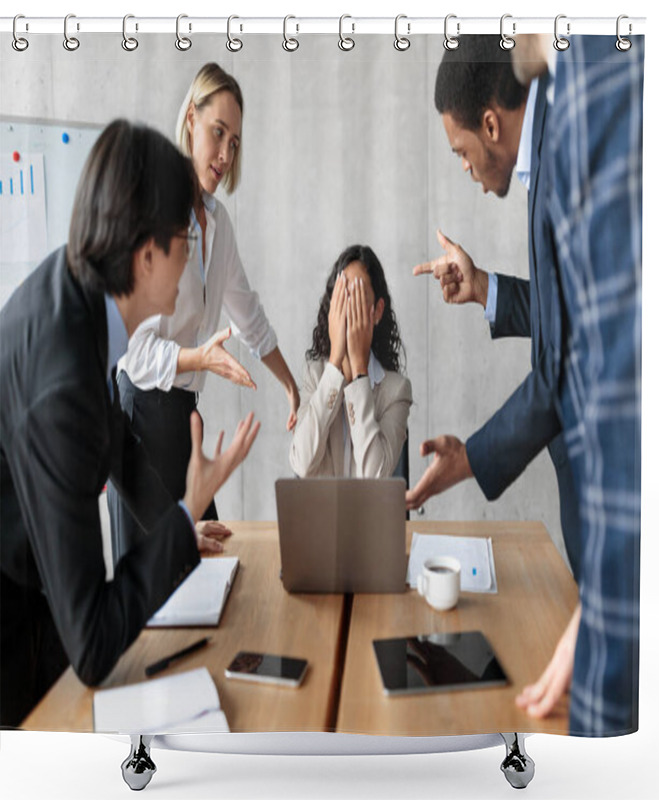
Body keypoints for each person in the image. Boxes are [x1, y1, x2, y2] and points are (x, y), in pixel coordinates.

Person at [0, 119, 260, 727]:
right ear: (147, 256)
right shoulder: (63, 385)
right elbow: (92, 643)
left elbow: (115, 441)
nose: (190, 261)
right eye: (184, 243)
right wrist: (186, 509)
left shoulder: (76, 290)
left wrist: (175, 524)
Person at [108, 62, 299, 561]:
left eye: (235, 142)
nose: (225, 153)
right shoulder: (153, 209)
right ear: (191, 119)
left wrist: (289, 384)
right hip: (140, 418)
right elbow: (134, 352)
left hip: (182, 419)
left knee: (208, 563)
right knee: (152, 588)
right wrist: (200, 358)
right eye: (218, 132)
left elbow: (248, 313)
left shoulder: (218, 221)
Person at [407, 35, 581, 578]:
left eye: (460, 151)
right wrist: (483, 287)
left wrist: (471, 458)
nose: (464, 166)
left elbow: (569, 357)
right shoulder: (549, 152)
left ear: (490, 125)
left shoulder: (568, 154)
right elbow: (569, 316)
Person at [515, 35, 643, 736]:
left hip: (622, 595)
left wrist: (602, 620)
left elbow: (623, 388)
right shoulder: (565, 95)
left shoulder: (597, 71)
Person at [289, 245, 411, 478]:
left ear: (377, 311)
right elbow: (301, 463)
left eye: (357, 299)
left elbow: (374, 474)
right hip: (320, 514)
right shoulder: (314, 376)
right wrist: (335, 364)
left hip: (369, 515)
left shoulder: (396, 390)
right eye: (343, 298)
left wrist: (359, 373)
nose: (349, 311)